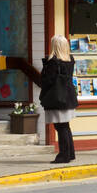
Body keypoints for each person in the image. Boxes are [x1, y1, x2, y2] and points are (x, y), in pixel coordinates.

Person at [39, 35, 78, 164]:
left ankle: (64, 155)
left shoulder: (53, 62)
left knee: (60, 127)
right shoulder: (70, 59)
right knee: (65, 126)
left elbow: (47, 80)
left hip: (56, 97)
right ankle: (70, 153)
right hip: (68, 96)